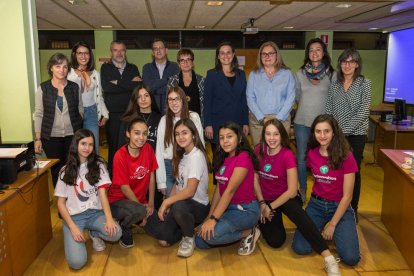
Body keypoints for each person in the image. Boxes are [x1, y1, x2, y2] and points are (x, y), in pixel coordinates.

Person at [254, 119, 340, 275]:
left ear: (282, 136)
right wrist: (262, 204)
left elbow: (293, 190)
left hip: (285, 197)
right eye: (268, 134)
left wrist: (270, 207)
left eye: (276, 134)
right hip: (265, 200)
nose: (272, 138)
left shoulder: (287, 154)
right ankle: (257, 225)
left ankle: (328, 258)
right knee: (276, 241)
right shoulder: (259, 150)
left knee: (299, 214)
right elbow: (254, 178)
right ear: (263, 135)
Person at [292, 114, 361, 267]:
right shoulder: (311, 153)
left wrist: (333, 224)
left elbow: (348, 196)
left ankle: (340, 230)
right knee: (300, 247)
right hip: (316, 205)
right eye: (318, 131)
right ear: (313, 133)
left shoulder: (347, 156)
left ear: (334, 132)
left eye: (326, 131)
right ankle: (326, 228)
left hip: (340, 206)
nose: (322, 136)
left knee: (351, 258)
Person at [54, 129, 121, 270]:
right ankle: (74, 232)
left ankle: (94, 232)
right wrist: (72, 228)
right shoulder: (65, 171)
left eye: (91, 144)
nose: (87, 148)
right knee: (77, 263)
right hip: (74, 218)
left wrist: (109, 218)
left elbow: (103, 194)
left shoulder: (99, 164)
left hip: (95, 214)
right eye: (83, 144)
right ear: (75, 145)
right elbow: (60, 204)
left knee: (116, 233)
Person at [144, 119, 210, 258]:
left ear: (193, 134)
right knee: (163, 239)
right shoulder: (182, 155)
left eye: (184, 133)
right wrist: (169, 202)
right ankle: (186, 227)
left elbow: (190, 191)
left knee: (178, 207)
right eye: (177, 134)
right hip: (182, 205)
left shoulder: (196, 156)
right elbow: (177, 184)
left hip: (198, 207)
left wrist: (167, 202)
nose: (181, 137)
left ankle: (188, 237)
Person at [195, 122, 260, 256]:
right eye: (222, 137)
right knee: (200, 241)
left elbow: (230, 191)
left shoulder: (243, 157)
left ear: (239, 137)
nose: (225, 141)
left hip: (246, 210)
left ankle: (249, 232)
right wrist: (208, 217)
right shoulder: (223, 158)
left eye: (229, 136)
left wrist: (214, 219)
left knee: (209, 236)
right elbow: (219, 191)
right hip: (228, 209)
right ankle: (233, 230)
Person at [325, 48, 371, 218]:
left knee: (353, 172)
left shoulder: (364, 83)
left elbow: (363, 111)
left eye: (351, 61)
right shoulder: (334, 83)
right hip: (336, 136)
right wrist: (332, 131)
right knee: (336, 171)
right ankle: (336, 208)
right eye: (344, 61)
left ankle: (352, 210)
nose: (347, 65)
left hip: (356, 135)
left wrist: (342, 131)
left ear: (357, 64)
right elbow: (329, 108)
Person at [294, 38, 336, 202]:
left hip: (324, 125)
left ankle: (323, 190)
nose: (314, 53)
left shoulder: (332, 74)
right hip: (302, 122)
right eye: (311, 50)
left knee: (324, 158)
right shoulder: (300, 73)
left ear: (324, 52)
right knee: (302, 159)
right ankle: (302, 190)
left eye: (318, 49)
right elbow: (297, 96)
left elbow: (333, 98)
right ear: (307, 54)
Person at [34, 53, 83, 187]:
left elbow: (80, 109)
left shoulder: (74, 87)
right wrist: (38, 139)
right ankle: (61, 203)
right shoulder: (43, 88)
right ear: (51, 68)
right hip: (50, 138)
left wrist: (78, 126)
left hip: (72, 135)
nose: (62, 70)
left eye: (65, 67)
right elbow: (38, 114)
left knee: (72, 168)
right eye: (58, 66)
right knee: (56, 171)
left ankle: (72, 202)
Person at [108, 118, 158, 248]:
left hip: (139, 202)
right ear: (128, 134)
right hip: (117, 202)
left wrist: (151, 203)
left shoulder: (148, 149)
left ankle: (135, 216)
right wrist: (142, 210)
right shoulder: (120, 155)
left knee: (162, 233)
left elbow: (152, 176)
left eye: (145, 133)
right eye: (137, 133)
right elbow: (124, 188)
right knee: (139, 212)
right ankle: (124, 225)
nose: (141, 137)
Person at [119, 83, 163, 210]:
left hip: (155, 168)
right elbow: (121, 148)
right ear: (135, 100)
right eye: (139, 97)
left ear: (151, 98)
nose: (143, 99)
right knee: (134, 206)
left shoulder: (160, 119)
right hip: (134, 169)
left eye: (146, 95)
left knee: (153, 210)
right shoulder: (128, 120)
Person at [101, 40, 141, 175]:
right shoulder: (105, 68)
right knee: (114, 147)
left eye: (122, 50)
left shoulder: (133, 68)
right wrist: (128, 84)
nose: (119, 53)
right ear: (111, 52)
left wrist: (117, 82)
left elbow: (136, 88)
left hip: (131, 113)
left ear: (126, 52)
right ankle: (112, 177)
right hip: (113, 115)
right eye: (115, 50)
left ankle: (130, 174)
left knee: (131, 145)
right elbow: (107, 88)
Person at [156, 86, 204, 198]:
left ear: (183, 100)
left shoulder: (193, 117)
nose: (174, 103)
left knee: (185, 204)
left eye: (177, 99)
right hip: (169, 167)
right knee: (171, 204)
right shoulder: (164, 120)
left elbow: (200, 146)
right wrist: (161, 181)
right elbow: (159, 151)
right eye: (170, 99)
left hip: (189, 165)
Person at [246, 41, 295, 146]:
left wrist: (278, 118)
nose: (267, 56)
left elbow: (291, 98)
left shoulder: (287, 74)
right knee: (260, 153)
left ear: (277, 55)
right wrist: (262, 118)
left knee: (280, 153)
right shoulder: (254, 75)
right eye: (264, 54)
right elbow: (250, 98)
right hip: (258, 121)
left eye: (271, 53)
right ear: (260, 56)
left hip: (281, 120)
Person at [203, 41, 249, 151]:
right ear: (218, 56)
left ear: (233, 55)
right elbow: (207, 101)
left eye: (228, 53)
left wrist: (245, 122)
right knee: (219, 159)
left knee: (236, 156)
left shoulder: (241, 74)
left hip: (237, 122)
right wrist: (208, 124)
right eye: (222, 53)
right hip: (218, 123)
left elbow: (244, 100)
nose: (225, 56)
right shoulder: (212, 74)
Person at [68, 41, 109, 153]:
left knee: (92, 145)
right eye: (80, 53)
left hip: (91, 112)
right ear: (74, 55)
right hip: (74, 113)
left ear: (90, 55)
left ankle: (93, 170)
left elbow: (99, 96)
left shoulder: (95, 74)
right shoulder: (68, 74)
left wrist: (105, 114)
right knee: (76, 146)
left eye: (86, 53)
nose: (83, 56)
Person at [167, 48, 205, 123]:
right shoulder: (172, 81)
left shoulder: (201, 80)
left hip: (198, 121)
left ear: (193, 62)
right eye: (182, 60)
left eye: (188, 59)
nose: (186, 62)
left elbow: (206, 104)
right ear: (178, 64)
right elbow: (169, 102)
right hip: (177, 120)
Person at [142, 38, 179, 114]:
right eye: (155, 49)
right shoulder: (147, 67)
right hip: (152, 109)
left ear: (166, 50)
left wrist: (155, 90)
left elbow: (174, 87)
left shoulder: (175, 66)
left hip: (171, 108)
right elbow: (148, 87)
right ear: (152, 52)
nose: (158, 51)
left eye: (161, 48)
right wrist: (168, 79)